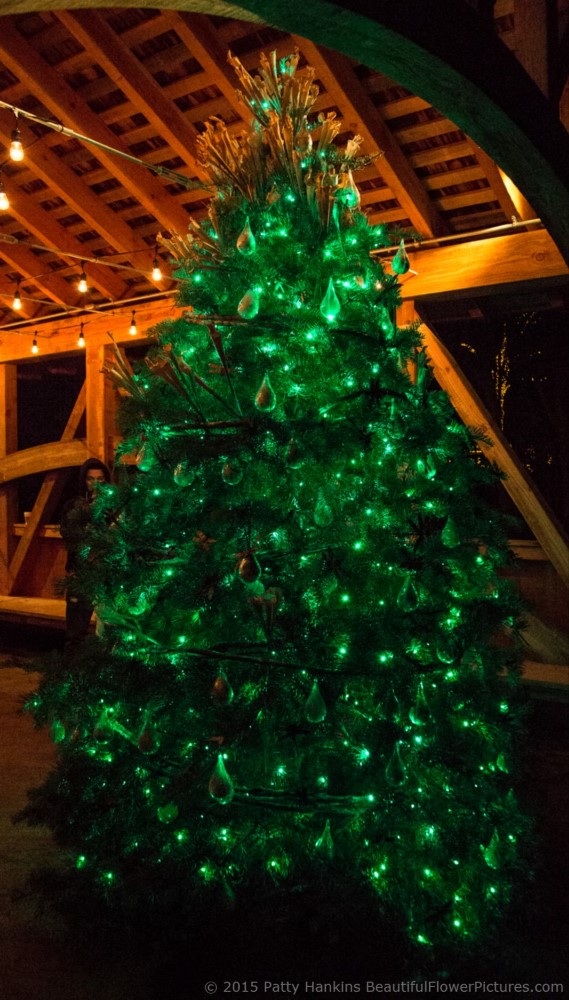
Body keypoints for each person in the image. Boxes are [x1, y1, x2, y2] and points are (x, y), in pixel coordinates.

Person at [60, 458, 111, 653]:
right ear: (84, 481)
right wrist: (88, 512)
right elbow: (68, 534)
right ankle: (71, 676)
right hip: (80, 574)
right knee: (75, 634)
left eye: (100, 479)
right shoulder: (73, 505)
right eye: (91, 479)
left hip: (107, 574)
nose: (95, 484)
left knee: (108, 632)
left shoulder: (114, 508)